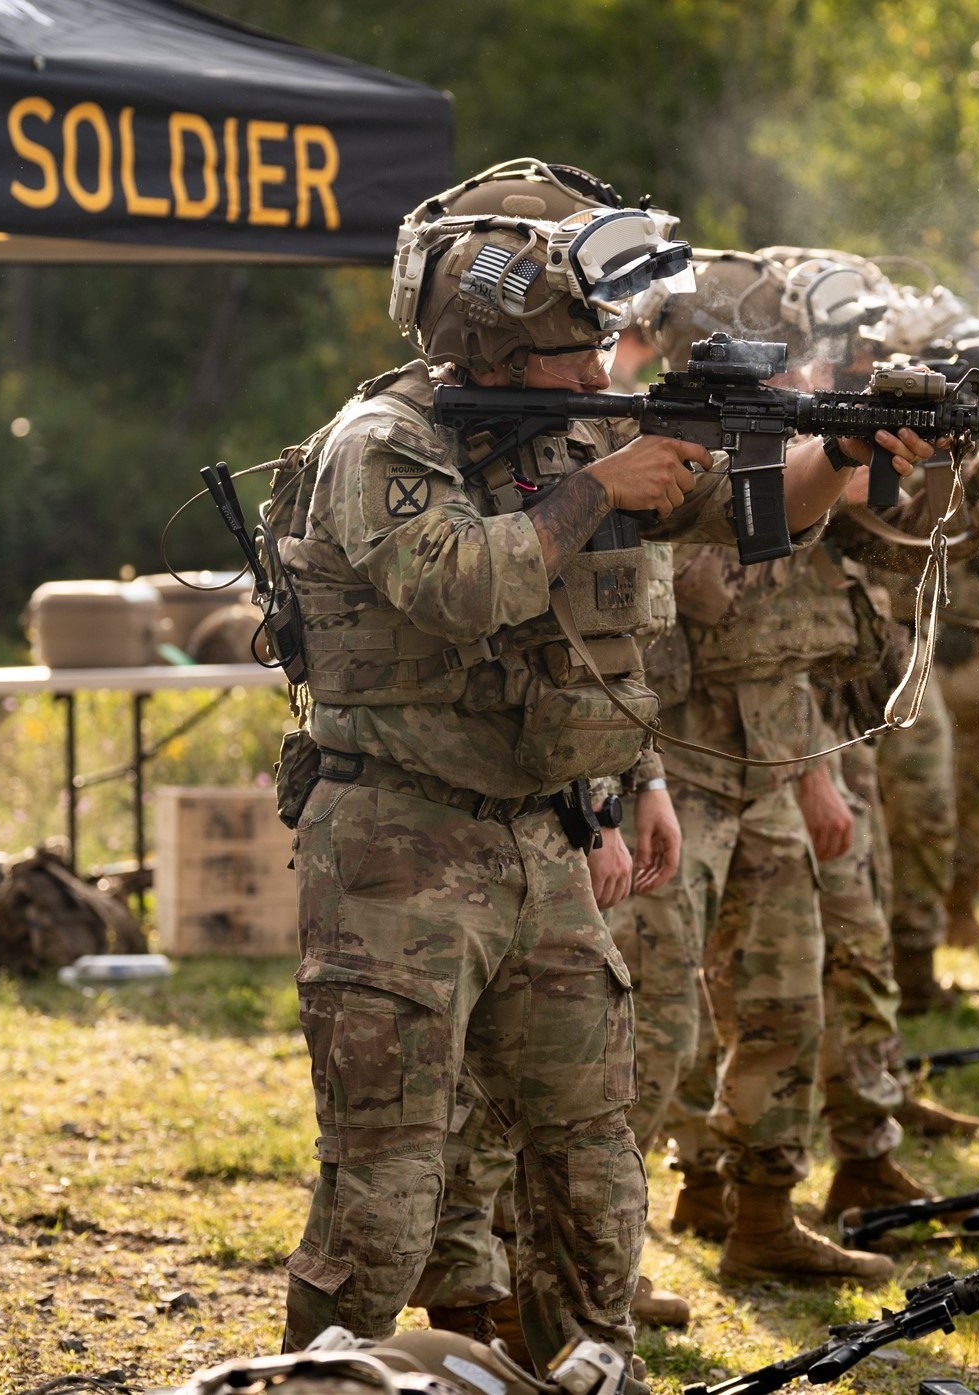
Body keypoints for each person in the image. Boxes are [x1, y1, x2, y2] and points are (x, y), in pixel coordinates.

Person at [273, 165, 909, 1368]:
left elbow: (745, 516)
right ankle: (315, 1386)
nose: (598, 369)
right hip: (396, 846)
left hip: (541, 837)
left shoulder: (572, 431)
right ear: (497, 347)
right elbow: (457, 584)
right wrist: (590, 492)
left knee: (590, 1165)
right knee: (383, 1196)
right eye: (573, 347)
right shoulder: (383, 441)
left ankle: (581, 1369)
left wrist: (845, 450)